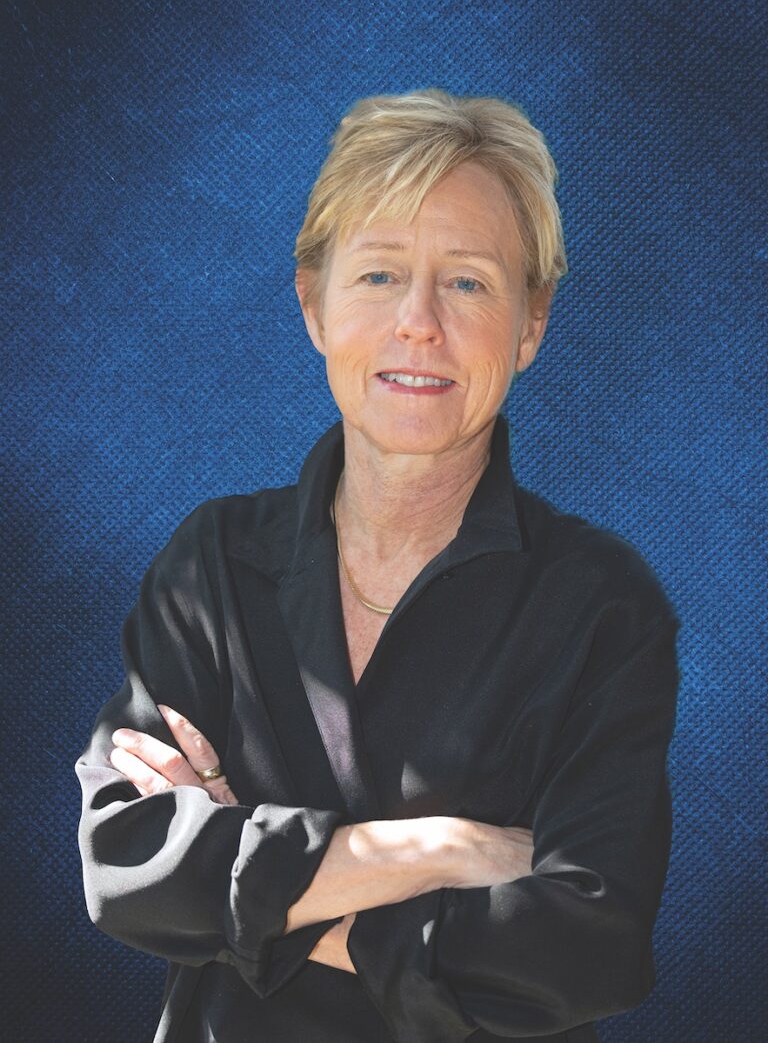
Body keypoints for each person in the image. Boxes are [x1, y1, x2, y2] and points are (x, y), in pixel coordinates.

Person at [75, 88, 681, 1043]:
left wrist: (247, 888)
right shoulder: (212, 566)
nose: (419, 321)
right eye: (379, 274)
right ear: (312, 304)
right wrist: (442, 849)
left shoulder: (604, 606)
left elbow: (585, 949)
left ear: (531, 323)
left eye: (469, 283)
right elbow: (126, 868)